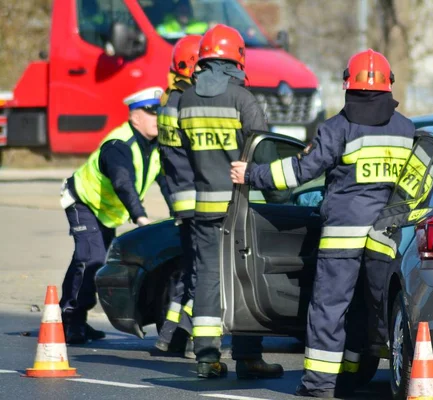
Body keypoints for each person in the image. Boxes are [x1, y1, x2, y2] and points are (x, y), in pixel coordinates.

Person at [230, 49, 416, 398]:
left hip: (342, 237)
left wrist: (252, 173)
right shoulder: (407, 129)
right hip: (386, 238)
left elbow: (298, 172)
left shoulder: (337, 127)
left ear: (349, 85)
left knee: (330, 309)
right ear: (388, 85)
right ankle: (358, 376)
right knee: (370, 308)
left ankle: (319, 385)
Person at [177, 24, 284, 380]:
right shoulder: (242, 99)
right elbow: (263, 152)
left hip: (204, 204)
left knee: (207, 276)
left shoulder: (187, 99)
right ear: (237, 58)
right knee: (244, 278)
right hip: (239, 207)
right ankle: (249, 356)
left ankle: (206, 357)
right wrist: (279, 194)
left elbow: (184, 154)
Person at [59, 86, 171, 345]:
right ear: (135, 116)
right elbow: (122, 182)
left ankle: (77, 319)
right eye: (151, 112)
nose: (158, 118)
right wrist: (140, 217)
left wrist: (180, 214)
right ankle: (68, 320)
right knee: (91, 258)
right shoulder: (119, 144)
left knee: (95, 261)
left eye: (160, 113)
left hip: (107, 212)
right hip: (83, 202)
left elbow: (167, 183)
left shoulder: (154, 147)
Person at [154, 34, 203, 359]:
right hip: (199, 198)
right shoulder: (188, 103)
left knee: (188, 270)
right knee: (202, 271)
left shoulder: (169, 102)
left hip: (180, 199)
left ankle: (169, 337)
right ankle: (192, 338)